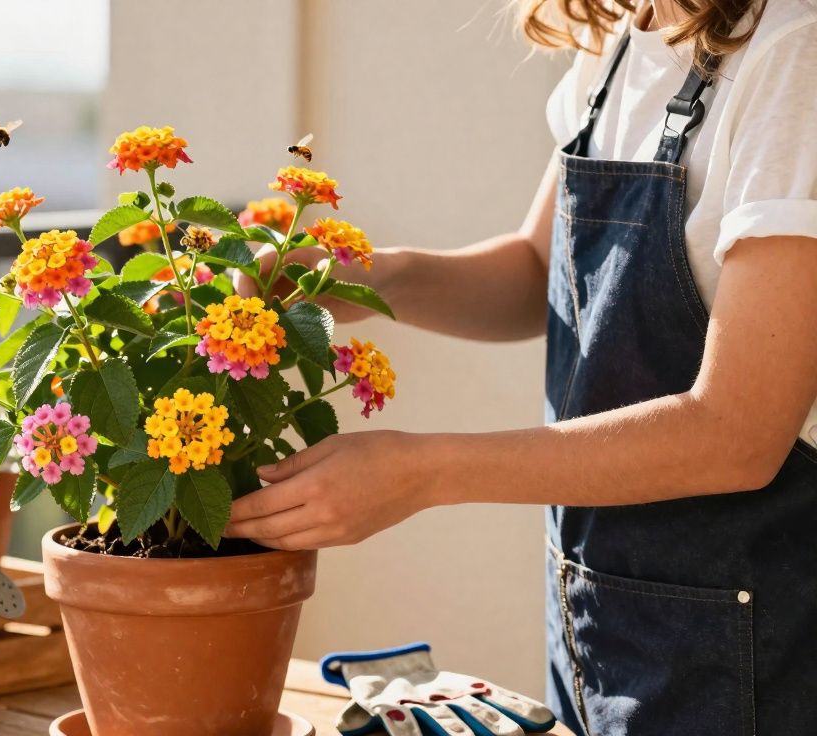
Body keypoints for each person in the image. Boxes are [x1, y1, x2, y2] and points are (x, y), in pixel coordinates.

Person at [225, 0, 817, 732]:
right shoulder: (622, 39)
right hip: (597, 617)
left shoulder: (795, 57)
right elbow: (540, 270)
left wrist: (423, 473)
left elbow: (740, 431)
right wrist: (367, 277)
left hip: (746, 648)